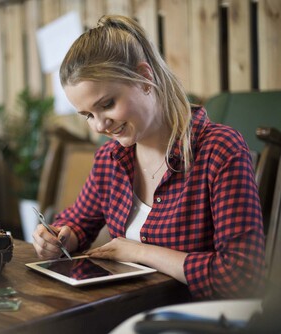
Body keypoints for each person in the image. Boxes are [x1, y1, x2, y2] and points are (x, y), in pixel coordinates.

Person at [32, 15, 265, 299]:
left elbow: (241, 276)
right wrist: (59, 236)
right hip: (128, 309)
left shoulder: (220, 150)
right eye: (88, 115)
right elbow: (79, 221)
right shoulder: (110, 159)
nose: (99, 126)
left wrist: (141, 252)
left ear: (144, 77)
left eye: (107, 104)